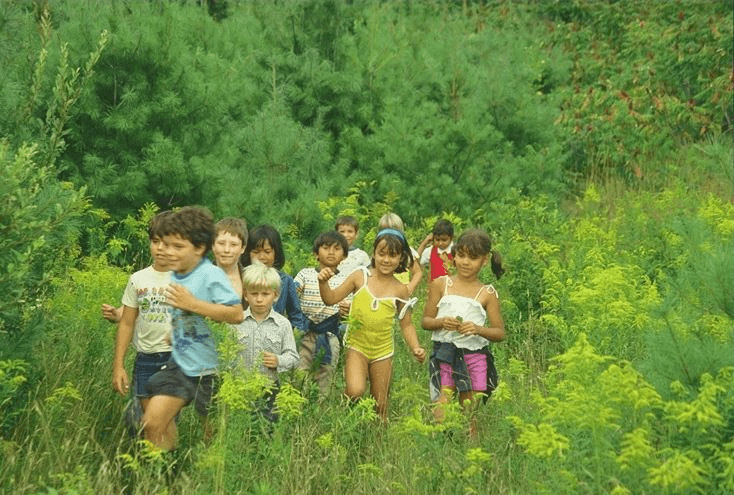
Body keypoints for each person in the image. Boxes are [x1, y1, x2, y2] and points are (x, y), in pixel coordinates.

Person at [142, 206, 244, 451]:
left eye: (178, 247)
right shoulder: (177, 274)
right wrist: (175, 332)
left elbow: (236, 313)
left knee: (212, 435)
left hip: (210, 370)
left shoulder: (211, 274)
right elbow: (184, 314)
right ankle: (164, 473)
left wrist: (193, 304)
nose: (169, 252)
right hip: (180, 365)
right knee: (152, 423)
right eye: (167, 245)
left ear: (199, 248)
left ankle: (207, 477)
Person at [318, 229, 426, 419]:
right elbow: (331, 298)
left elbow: (406, 324)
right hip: (357, 347)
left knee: (380, 404)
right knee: (355, 391)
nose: (386, 260)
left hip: (383, 351)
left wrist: (416, 347)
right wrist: (323, 283)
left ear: (401, 258)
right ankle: (347, 422)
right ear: (374, 253)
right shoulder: (360, 276)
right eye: (381, 253)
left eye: (392, 255)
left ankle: (377, 439)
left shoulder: (401, 290)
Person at [421, 228, 505, 438]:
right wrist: (442, 322)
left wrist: (478, 329)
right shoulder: (441, 284)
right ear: (454, 255)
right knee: (441, 409)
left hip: (474, 357)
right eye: (461, 255)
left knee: (468, 414)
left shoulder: (487, 293)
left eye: (473, 258)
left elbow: (499, 332)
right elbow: (425, 321)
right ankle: (443, 449)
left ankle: (471, 459)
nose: (466, 262)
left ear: (484, 261)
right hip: (445, 354)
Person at [110, 210, 173, 432]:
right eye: (156, 242)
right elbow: (127, 323)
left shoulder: (186, 278)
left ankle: (166, 465)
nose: (161, 248)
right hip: (145, 360)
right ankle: (143, 464)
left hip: (175, 361)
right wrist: (118, 366)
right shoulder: (138, 279)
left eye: (169, 243)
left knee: (163, 422)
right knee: (141, 421)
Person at [230, 263, 299, 422]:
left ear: (276, 295)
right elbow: (225, 354)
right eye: (254, 293)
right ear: (245, 294)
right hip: (239, 387)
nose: (259, 299)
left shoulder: (283, 324)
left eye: (265, 294)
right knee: (240, 425)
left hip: (269, 389)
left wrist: (278, 360)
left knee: (267, 429)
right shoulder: (235, 321)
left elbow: (293, 357)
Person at [294, 231, 350, 397]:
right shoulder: (305, 274)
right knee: (299, 373)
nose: (331, 252)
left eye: (336, 248)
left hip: (330, 334)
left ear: (344, 256)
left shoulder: (347, 280)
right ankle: (297, 405)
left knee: (325, 374)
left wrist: (347, 310)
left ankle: (318, 408)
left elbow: (349, 310)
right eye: (325, 248)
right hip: (304, 332)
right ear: (316, 254)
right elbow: (293, 292)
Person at [243, 224, 308, 334]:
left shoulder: (285, 281)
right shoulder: (242, 278)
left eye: (267, 252)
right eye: (256, 252)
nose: (262, 257)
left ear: (276, 253)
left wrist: (294, 339)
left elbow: (296, 315)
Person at [377, 212, 422, 295]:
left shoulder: (407, 251)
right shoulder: (379, 251)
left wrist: (409, 288)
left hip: (401, 292)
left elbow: (417, 272)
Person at [212, 217, 248, 299]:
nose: (226, 250)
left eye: (233, 245)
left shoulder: (251, 279)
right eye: (221, 243)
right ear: (213, 245)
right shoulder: (198, 277)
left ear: (243, 248)